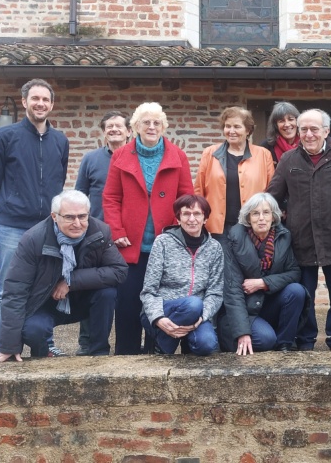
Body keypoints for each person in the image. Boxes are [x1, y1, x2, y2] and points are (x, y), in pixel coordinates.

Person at [0, 78, 69, 357]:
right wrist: (10, 206)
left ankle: (45, 343)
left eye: (45, 99)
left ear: (51, 105)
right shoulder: (4, 137)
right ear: (24, 102)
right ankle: (1, 346)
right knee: (7, 289)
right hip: (13, 228)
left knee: (44, 289)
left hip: (48, 229)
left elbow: (59, 177)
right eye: (35, 99)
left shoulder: (60, 140)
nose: (40, 103)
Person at [267, 109, 331, 351]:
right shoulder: (289, 160)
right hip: (301, 239)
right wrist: (282, 224)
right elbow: (273, 196)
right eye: (304, 129)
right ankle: (305, 339)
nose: (309, 134)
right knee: (305, 294)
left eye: (314, 129)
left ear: (325, 130)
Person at [103, 101, 195, 355]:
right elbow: (110, 198)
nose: (152, 127)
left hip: (165, 245)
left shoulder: (178, 155)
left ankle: (157, 353)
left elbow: (187, 197)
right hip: (130, 244)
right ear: (135, 127)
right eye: (146, 122)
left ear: (164, 126)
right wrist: (117, 231)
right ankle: (127, 354)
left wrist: (180, 233)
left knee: (159, 302)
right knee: (128, 304)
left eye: (157, 123)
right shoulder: (121, 155)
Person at [0, 190, 127, 362]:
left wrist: (71, 281)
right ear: (54, 216)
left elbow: (119, 270)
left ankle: (98, 353)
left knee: (107, 294)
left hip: (82, 300)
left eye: (82, 216)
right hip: (45, 303)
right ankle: (43, 354)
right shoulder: (33, 239)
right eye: (69, 217)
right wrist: (10, 346)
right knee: (33, 330)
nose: (77, 223)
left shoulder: (100, 232)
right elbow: (15, 291)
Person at [218, 193, 306, 354]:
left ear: (273, 217)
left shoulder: (283, 237)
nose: (261, 218)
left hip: (267, 304)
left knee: (297, 291)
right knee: (265, 340)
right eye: (255, 213)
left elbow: (294, 273)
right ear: (248, 218)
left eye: (266, 212)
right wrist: (242, 332)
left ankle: (285, 344)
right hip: (243, 310)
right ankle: (258, 337)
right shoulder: (234, 239)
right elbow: (232, 291)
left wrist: (263, 283)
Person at [74, 110, 131, 355]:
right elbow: (79, 196)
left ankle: (127, 343)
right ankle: (89, 343)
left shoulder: (135, 157)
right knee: (92, 287)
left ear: (129, 131)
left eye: (119, 126)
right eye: (109, 126)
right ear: (103, 131)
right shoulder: (91, 159)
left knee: (128, 292)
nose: (114, 130)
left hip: (128, 235)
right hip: (95, 237)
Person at [140, 195, 221, 356]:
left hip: (197, 312)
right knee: (192, 304)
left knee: (207, 344)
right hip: (164, 310)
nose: (192, 219)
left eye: (197, 214)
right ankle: (163, 347)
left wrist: (202, 317)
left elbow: (215, 292)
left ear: (205, 218)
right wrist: (158, 318)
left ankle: (178, 344)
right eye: (186, 214)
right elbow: (149, 290)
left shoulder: (215, 248)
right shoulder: (163, 242)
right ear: (178, 219)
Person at [195, 106, 274, 238]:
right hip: (217, 228)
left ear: (248, 130)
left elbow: (271, 192)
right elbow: (199, 190)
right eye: (227, 126)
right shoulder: (210, 153)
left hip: (252, 227)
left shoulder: (263, 154)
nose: (231, 131)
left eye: (237, 127)